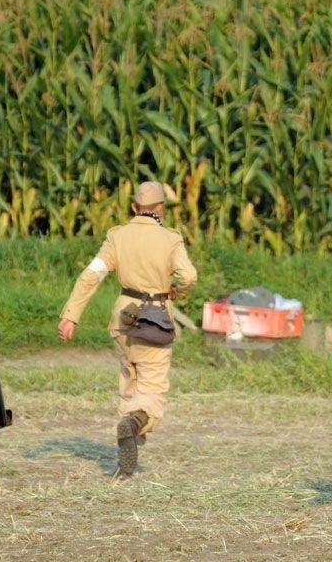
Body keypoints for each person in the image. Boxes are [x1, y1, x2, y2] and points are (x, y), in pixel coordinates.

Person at [58, 181, 197, 477]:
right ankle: (134, 425)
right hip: (156, 318)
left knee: (129, 382)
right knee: (152, 388)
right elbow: (189, 275)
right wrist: (177, 291)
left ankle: (125, 458)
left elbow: (91, 276)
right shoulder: (169, 239)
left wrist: (71, 315)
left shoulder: (117, 237)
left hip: (124, 318)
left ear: (134, 207)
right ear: (160, 208)